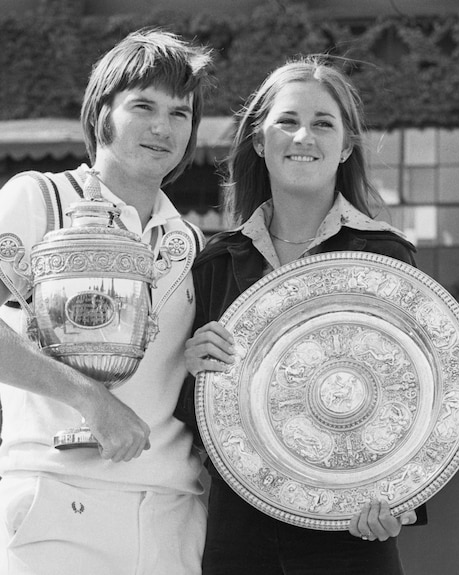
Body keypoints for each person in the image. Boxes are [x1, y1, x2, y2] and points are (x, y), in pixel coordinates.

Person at [0, 29, 213, 575]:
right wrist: (93, 400)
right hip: (59, 503)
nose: (163, 127)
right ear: (102, 112)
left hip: (174, 518)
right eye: (143, 106)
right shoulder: (39, 197)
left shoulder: (195, 244)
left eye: (181, 113)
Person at [178, 56, 426, 574]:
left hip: (350, 531)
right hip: (237, 535)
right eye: (286, 122)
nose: (303, 137)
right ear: (259, 140)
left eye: (322, 124)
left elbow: (423, 392)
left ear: (347, 146)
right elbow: (196, 420)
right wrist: (190, 366)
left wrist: (400, 499)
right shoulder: (214, 261)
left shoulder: (385, 257)